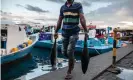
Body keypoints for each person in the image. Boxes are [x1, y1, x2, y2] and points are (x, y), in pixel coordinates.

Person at [54, 0, 88, 79]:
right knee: (63, 52)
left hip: (74, 32)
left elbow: (82, 18)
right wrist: (56, 31)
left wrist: (86, 30)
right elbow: (59, 20)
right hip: (64, 33)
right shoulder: (62, 8)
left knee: (69, 52)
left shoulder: (78, 5)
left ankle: (69, 72)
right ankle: (73, 60)